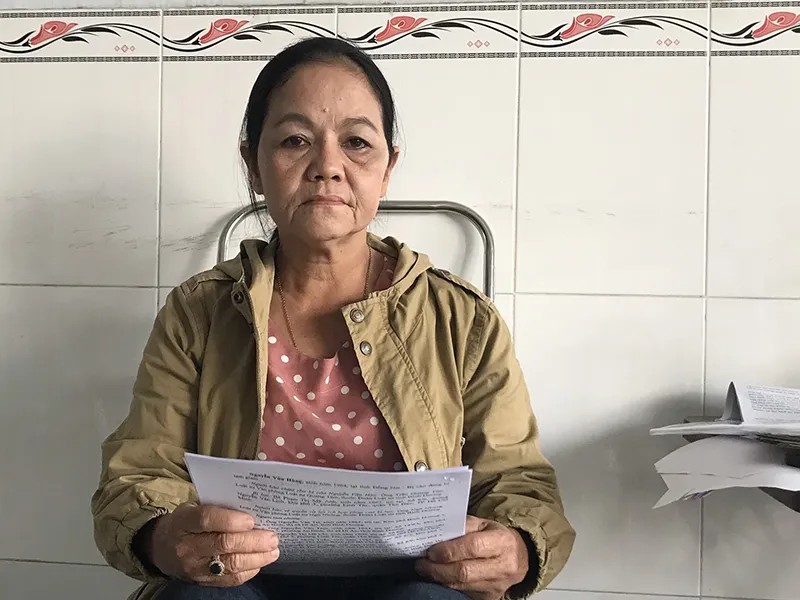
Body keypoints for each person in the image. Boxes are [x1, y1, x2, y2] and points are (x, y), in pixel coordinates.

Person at [91, 37, 575, 600]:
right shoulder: (198, 313)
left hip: (416, 582)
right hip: (240, 581)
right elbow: (138, 474)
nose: (328, 167)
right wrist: (165, 535)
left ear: (388, 169)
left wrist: (516, 547)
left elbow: (519, 483)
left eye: (357, 143)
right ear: (253, 164)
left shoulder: (461, 320)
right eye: (295, 141)